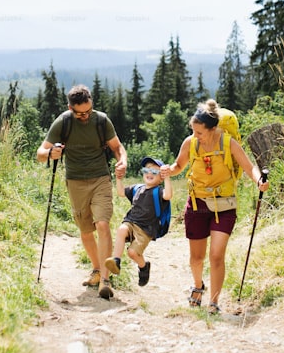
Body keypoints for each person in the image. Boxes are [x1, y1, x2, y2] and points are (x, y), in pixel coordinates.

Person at [161, 99, 268, 314]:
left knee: (217, 255)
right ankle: (198, 285)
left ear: (212, 129)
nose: (195, 135)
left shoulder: (228, 143)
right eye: (193, 131)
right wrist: (168, 170)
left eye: (199, 132)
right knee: (196, 258)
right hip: (197, 203)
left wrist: (259, 181)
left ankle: (214, 302)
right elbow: (179, 166)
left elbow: (248, 167)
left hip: (224, 205)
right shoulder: (190, 143)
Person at [37, 84, 127, 300]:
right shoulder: (64, 122)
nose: (85, 116)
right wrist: (51, 153)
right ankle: (97, 270)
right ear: (70, 108)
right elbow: (40, 152)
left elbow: (117, 147)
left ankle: (106, 280)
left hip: (100, 178)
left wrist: (122, 161)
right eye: (80, 113)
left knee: (102, 224)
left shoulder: (102, 120)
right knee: (86, 230)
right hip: (75, 181)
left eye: (88, 111)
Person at [105, 156, 172, 287]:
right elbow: (120, 192)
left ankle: (144, 267)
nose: (149, 173)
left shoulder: (158, 192)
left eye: (154, 171)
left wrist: (168, 177)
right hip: (131, 222)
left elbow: (168, 195)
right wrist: (118, 178)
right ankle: (116, 260)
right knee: (122, 229)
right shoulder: (137, 188)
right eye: (146, 170)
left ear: (161, 177)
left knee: (133, 253)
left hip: (145, 230)